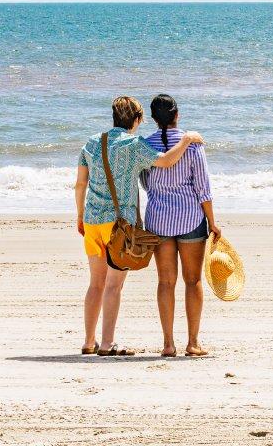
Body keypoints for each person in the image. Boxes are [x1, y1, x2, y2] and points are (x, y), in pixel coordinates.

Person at [74, 95, 203, 356]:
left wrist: (79, 216)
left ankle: (89, 341)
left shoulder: (92, 142)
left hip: (91, 221)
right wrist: (187, 140)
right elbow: (166, 161)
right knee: (113, 285)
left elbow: (80, 184)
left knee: (95, 283)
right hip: (117, 225)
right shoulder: (134, 145)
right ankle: (108, 343)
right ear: (137, 119)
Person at [142, 93, 221, 357]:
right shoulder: (194, 145)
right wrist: (213, 222)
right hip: (190, 219)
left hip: (158, 221)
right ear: (177, 115)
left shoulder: (144, 145)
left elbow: (145, 183)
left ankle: (168, 344)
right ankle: (193, 342)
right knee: (192, 280)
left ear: (153, 119)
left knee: (165, 282)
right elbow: (203, 190)